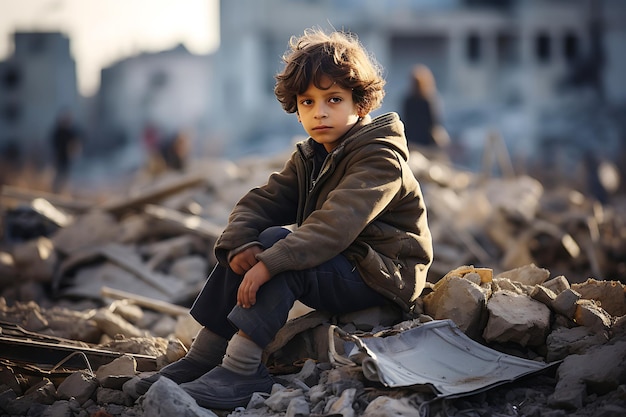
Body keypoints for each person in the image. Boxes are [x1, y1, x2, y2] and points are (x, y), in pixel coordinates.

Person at [136, 28, 433, 410]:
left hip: (383, 274)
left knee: (281, 253)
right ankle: (204, 356)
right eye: (307, 102)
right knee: (261, 239)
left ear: (360, 104)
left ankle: (242, 370)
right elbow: (262, 201)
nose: (319, 111)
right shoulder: (313, 155)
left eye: (334, 99)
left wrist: (268, 265)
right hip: (346, 262)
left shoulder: (380, 158)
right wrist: (239, 243)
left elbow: (333, 226)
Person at [401, 64, 449, 149]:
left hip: (411, 142)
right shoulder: (429, 100)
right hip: (426, 144)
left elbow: (405, 121)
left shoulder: (408, 100)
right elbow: (434, 123)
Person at [50, 110, 81, 193]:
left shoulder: (70, 132)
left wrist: (74, 153)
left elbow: (76, 143)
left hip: (67, 159)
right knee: (58, 178)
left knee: (65, 179)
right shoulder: (58, 132)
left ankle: (62, 193)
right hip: (59, 159)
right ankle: (56, 192)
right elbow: (53, 145)